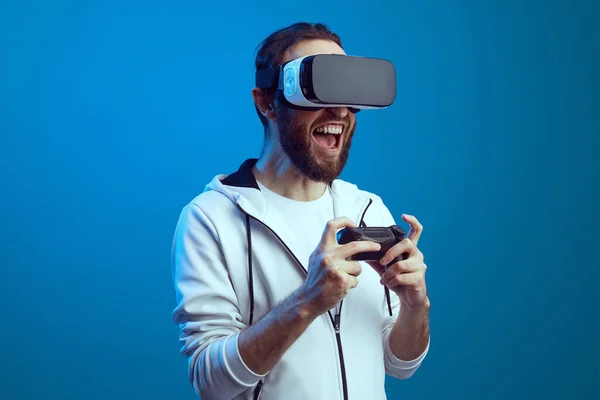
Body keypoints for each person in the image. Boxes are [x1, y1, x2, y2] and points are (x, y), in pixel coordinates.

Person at [171, 22, 430, 400]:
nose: (340, 110)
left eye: (348, 91)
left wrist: (415, 303)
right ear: (266, 102)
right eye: (318, 88)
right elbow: (211, 382)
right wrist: (307, 301)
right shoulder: (210, 218)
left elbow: (401, 364)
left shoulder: (367, 208)